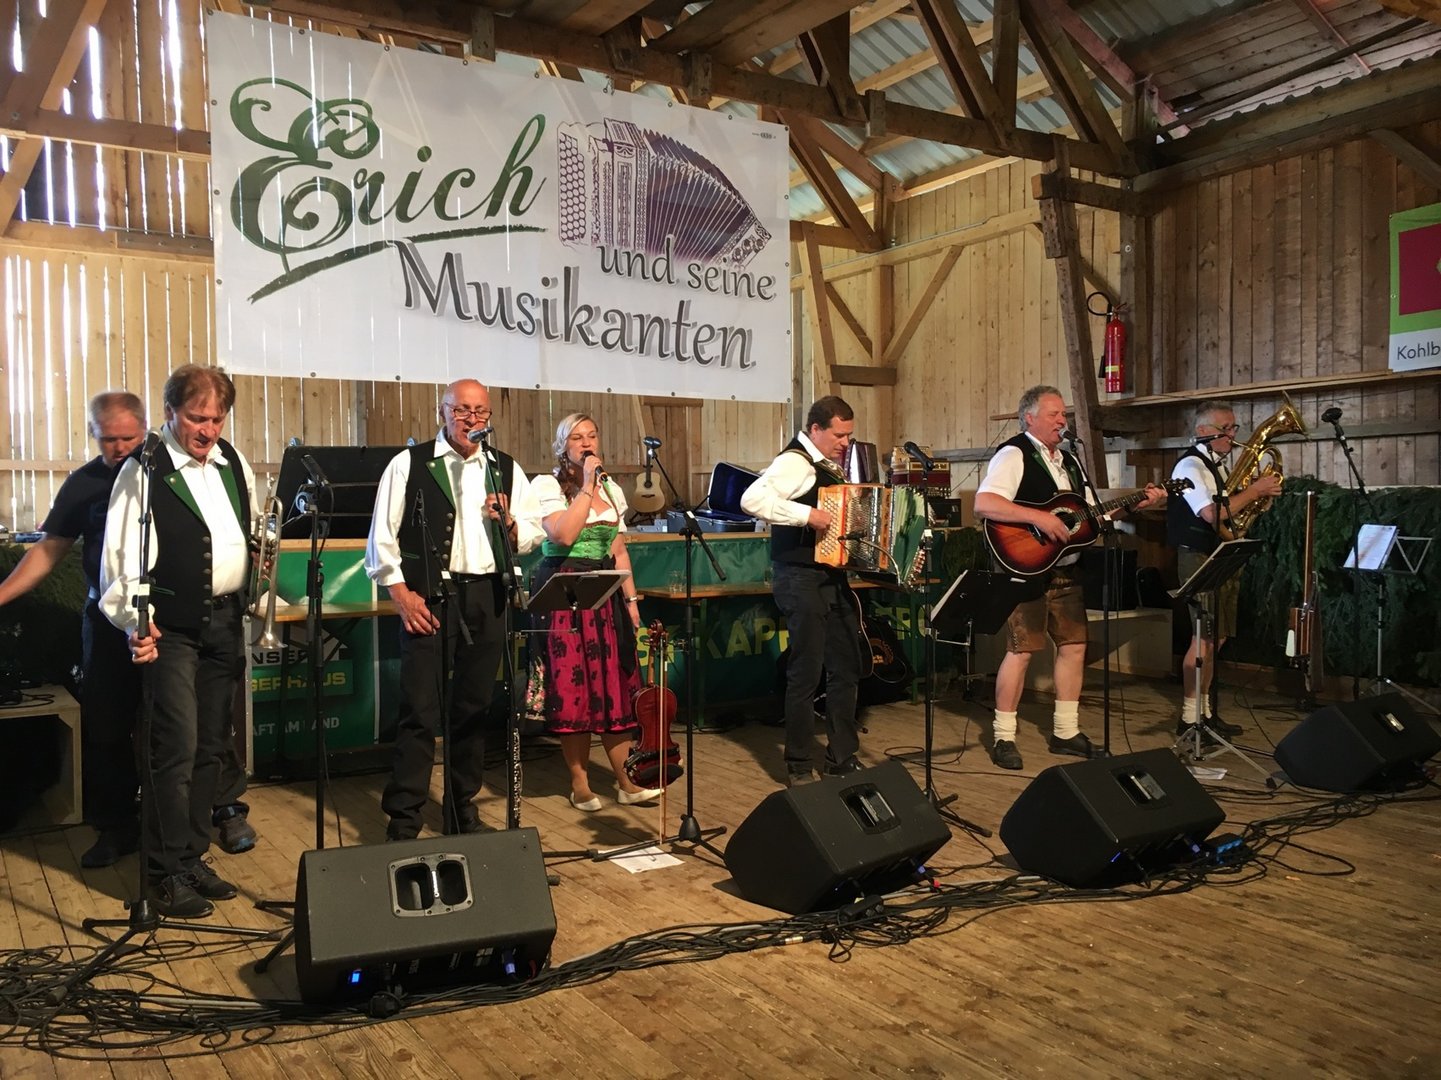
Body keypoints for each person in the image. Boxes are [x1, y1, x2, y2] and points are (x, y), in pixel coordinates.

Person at [100, 365, 258, 919]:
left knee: (212, 745)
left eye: (217, 418)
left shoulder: (233, 462)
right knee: (176, 747)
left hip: (225, 622)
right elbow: (120, 556)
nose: (208, 429)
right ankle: (163, 872)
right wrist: (135, 622)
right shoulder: (143, 468)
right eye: (197, 418)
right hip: (170, 630)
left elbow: (246, 532)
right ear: (170, 413)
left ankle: (191, 857)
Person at [366, 379, 543, 840]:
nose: (471, 420)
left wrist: (510, 523)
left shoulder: (504, 467)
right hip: (428, 598)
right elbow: (381, 537)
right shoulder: (409, 463)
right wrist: (401, 594)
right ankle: (405, 819)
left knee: (473, 709)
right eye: (462, 410)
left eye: (480, 412)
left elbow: (534, 534)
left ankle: (461, 811)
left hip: (488, 595)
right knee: (419, 710)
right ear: (441, 412)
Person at [974, 385, 1162, 770]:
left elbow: (1093, 516)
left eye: (1064, 414)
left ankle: (1065, 731)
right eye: (1054, 414)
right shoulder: (1014, 453)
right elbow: (984, 503)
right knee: (1022, 650)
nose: (1062, 421)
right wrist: (1039, 518)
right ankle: (1004, 736)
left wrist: (1133, 505)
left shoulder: (1070, 461)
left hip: (1066, 567)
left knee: (1074, 646)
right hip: (1025, 568)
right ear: (1029, 418)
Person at [520, 413, 663, 811]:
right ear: (562, 446)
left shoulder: (612, 488)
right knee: (574, 688)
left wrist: (631, 602)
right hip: (564, 592)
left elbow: (618, 551)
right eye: (576, 438)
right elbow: (563, 534)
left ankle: (626, 780)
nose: (586, 443)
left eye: (592, 436)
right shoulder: (547, 485)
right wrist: (586, 486)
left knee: (614, 686)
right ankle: (580, 782)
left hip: (604, 591)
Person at [740, 395, 864, 787]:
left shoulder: (827, 466)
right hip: (799, 576)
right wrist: (806, 514)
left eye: (848, 435)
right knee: (806, 671)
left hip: (831, 577)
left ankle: (841, 756)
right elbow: (752, 499)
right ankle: (798, 764)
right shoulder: (796, 462)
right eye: (839, 435)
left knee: (846, 666)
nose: (845, 442)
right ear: (815, 429)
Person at [1169, 401, 1282, 742]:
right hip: (1198, 555)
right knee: (1202, 637)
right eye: (1226, 428)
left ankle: (1205, 713)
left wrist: (1259, 497)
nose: (1232, 435)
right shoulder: (1191, 465)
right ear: (1203, 431)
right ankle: (1189, 717)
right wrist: (1254, 491)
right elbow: (1211, 513)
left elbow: (1232, 511)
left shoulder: (1217, 466)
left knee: (1215, 637)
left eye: (1234, 428)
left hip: (1219, 554)